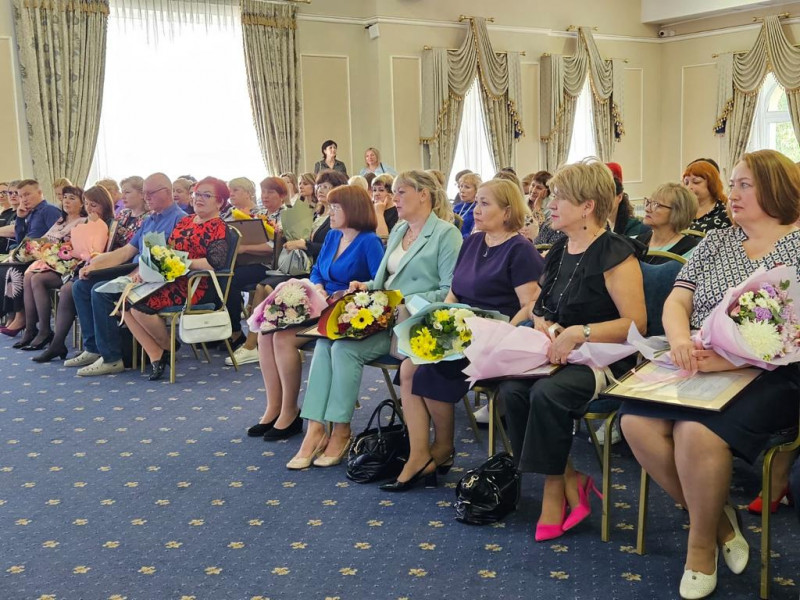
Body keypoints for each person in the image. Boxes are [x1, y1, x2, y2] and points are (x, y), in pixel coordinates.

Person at [620, 149, 800, 600]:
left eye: (745, 185)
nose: (733, 194)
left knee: (695, 433)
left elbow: (791, 332)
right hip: (696, 359)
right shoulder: (717, 241)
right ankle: (719, 520)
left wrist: (731, 360)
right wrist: (680, 340)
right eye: (733, 184)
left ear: (775, 189)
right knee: (635, 422)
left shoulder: (797, 246)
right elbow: (678, 300)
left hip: (770, 373)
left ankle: (700, 547)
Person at [497, 159, 646, 543]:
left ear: (587, 207)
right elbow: (540, 306)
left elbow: (636, 324)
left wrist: (581, 332)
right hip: (557, 351)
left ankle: (554, 491)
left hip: (604, 356)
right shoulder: (561, 248)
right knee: (511, 390)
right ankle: (569, 478)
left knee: (547, 394)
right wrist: (547, 326)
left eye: (559, 197)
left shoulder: (616, 252)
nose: (549, 204)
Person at [288, 170, 463, 470]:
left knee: (342, 348)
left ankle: (340, 430)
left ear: (424, 195)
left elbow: (449, 290)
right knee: (326, 344)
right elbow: (383, 279)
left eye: (401, 192)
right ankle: (317, 428)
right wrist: (365, 286)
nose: (394, 198)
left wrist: (399, 299)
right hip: (382, 314)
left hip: (410, 321)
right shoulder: (399, 230)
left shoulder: (446, 234)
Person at [385, 179, 544, 491]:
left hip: (496, 337)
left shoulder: (520, 250)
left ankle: (442, 448)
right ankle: (419, 454)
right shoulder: (472, 242)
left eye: (485, 203)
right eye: (476, 202)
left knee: (427, 371)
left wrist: (503, 333)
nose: (476, 209)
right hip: (460, 330)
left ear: (507, 211)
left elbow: (530, 306)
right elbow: (454, 294)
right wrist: (438, 319)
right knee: (408, 366)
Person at [250, 185, 385, 442]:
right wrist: (319, 286)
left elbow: (379, 281)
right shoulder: (333, 236)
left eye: (336, 208)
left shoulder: (369, 241)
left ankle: (290, 412)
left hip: (344, 309)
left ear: (353, 210)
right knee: (265, 332)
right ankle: (273, 407)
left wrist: (348, 290)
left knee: (282, 338)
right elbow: (316, 271)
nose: (330, 212)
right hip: (319, 301)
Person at [69, 173, 186, 375]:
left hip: (157, 278)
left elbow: (172, 260)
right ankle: (93, 348)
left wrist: (136, 274)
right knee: (80, 286)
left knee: (100, 291)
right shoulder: (150, 220)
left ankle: (112, 358)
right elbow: (126, 252)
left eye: (150, 193)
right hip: (134, 272)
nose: (146, 197)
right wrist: (94, 264)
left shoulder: (180, 219)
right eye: (145, 193)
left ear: (166, 192)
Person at [123, 177, 230, 381]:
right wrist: (146, 272)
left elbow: (213, 263)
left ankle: (168, 346)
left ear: (220, 202)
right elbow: (168, 252)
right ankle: (157, 353)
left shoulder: (219, 226)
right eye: (197, 194)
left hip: (196, 285)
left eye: (207, 195)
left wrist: (183, 262)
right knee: (124, 301)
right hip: (171, 278)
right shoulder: (186, 221)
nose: (199, 199)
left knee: (139, 307)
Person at [33, 186, 118, 363]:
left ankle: (62, 343)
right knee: (69, 286)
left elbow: (109, 252)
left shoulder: (112, 223)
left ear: (104, 204)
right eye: (87, 204)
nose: (89, 208)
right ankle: (67, 343)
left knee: (70, 289)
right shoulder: (86, 223)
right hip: (84, 266)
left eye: (94, 204)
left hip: (103, 269)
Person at [226, 177, 284, 351]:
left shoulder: (285, 215)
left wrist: (244, 248)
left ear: (281, 195)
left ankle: (236, 331)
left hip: (270, 266)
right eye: (263, 192)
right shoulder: (260, 214)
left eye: (270, 192)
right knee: (221, 275)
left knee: (231, 279)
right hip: (249, 261)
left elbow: (273, 248)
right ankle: (227, 330)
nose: (265, 196)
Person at [2, 180, 64, 336]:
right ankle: (13, 316)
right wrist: (20, 218)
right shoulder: (30, 213)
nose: (24, 199)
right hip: (30, 256)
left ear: (40, 192)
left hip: (47, 258)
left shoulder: (49, 210)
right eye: (21, 196)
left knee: (13, 270)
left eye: (27, 194)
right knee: (6, 268)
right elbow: (20, 239)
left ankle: (22, 318)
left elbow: (59, 237)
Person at [637, 183, 700, 263]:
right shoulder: (638, 241)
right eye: (648, 202)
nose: (647, 209)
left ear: (678, 212)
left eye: (657, 205)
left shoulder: (690, 249)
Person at [682, 160, 731, 233]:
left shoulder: (727, 213)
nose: (689, 187)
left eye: (696, 182)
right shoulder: (680, 211)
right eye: (686, 183)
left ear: (711, 184)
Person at [606, 163, 647, 237]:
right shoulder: (601, 225)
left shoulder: (633, 226)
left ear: (619, 197)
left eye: (607, 197)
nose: (602, 202)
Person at [453, 172, 481, 237]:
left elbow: (474, 233)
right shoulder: (457, 207)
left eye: (467, 187)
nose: (462, 190)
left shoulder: (478, 209)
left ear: (476, 190)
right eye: (460, 186)